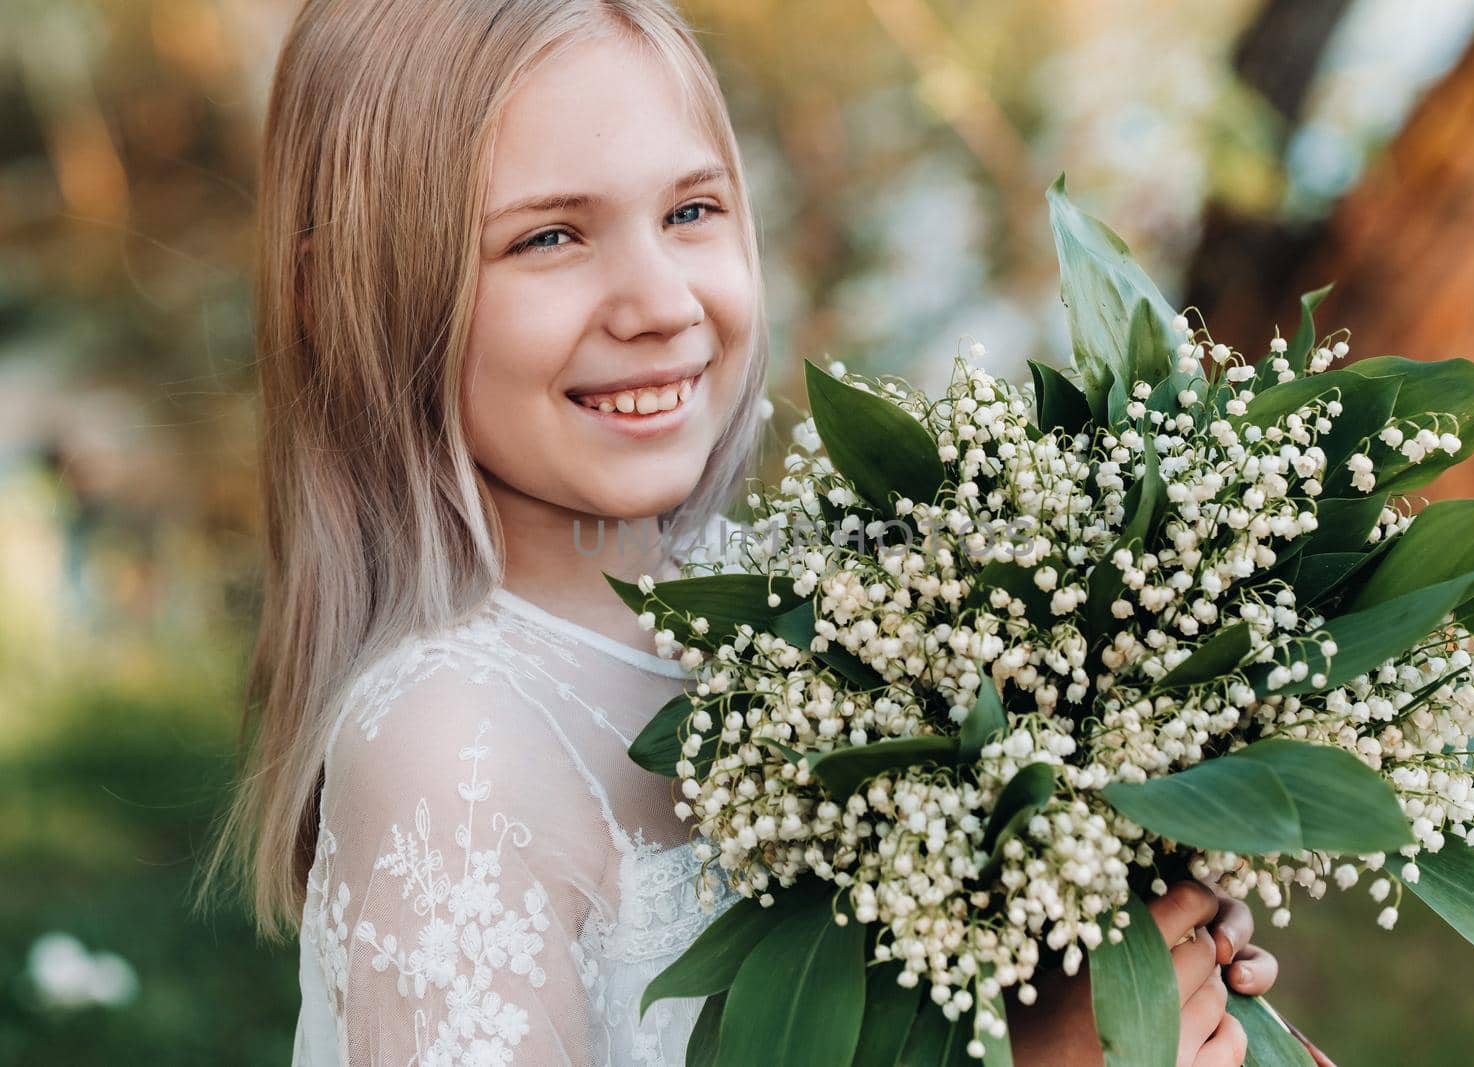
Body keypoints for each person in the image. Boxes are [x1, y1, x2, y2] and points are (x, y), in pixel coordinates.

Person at [200, 2, 1307, 1063]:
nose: (660, 301)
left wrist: (1135, 956)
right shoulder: (452, 746)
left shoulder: (817, 606)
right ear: (337, 290)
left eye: (690, 211)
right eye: (547, 236)